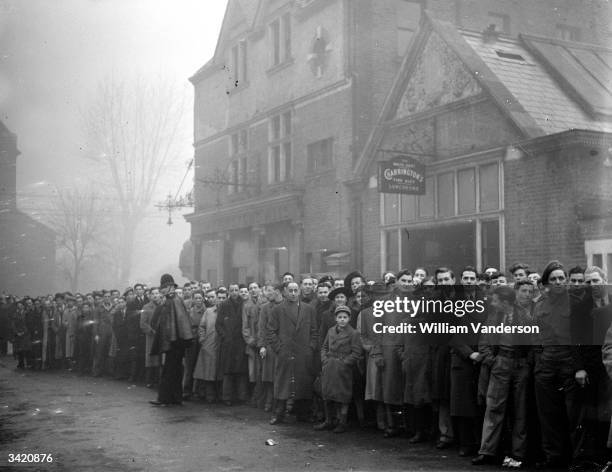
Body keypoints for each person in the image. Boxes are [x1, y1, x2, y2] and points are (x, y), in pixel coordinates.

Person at [473, 286, 532, 468]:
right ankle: (486, 451)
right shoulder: (493, 317)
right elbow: (483, 343)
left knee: (520, 410)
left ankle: (518, 454)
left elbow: (533, 342)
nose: (492, 302)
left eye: (495, 300)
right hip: (501, 363)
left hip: (520, 365)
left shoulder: (525, 317)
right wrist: (493, 361)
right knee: (494, 408)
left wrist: (527, 363)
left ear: (505, 302)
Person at [267, 281, 318, 424]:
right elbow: (270, 331)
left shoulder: (309, 309)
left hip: (303, 353)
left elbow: (314, 331)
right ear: (285, 292)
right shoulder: (278, 310)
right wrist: (279, 348)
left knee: (303, 383)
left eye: (296, 290)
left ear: (300, 292)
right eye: (291, 290)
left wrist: (310, 348)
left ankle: (303, 414)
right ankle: (278, 414)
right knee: (283, 382)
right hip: (285, 352)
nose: (293, 293)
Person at [315, 305, 362, 433]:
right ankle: (329, 421)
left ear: (349, 318)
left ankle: (342, 422)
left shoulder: (353, 333)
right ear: (335, 318)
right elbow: (324, 347)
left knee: (343, 396)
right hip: (329, 367)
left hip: (343, 370)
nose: (342, 320)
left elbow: (356, 353)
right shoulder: (330, 331)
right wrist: (324, 360)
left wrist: (345, 363)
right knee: (327, 395)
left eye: (345, 317)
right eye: (340, 317)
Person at [149, 274, 194, 406]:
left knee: (169, 370)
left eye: (163, 287)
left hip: (175, 342)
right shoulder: (173, 299)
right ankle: (175, 397)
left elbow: (179, 322)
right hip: (176, 341)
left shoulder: (173, 300)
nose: (161, 290)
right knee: (175, 370)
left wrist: (174, 339)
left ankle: (164, 398)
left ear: (169, 287)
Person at [216, 284, 248, 406]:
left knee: (241, 371)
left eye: (236, 290)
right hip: (228, 343)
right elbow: (218, 324)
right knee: (228, 372)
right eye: (232, 290)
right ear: (229, 292)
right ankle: (227, 397)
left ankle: (241, 396)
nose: (235, 292)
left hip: (240, 342)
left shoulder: (243, 304)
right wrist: (225, 336)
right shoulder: (224, 305)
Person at [193, 288, 221, 403]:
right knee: (208, 371)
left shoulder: (224, 310)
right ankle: (209, 395)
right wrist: (202, 339)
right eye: (209, 297)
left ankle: (219, 394)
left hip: (220, 345)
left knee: (218, 371)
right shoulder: (208, 311)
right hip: (209, 345)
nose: (212, 299)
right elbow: (202, 327)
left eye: (213, 297)